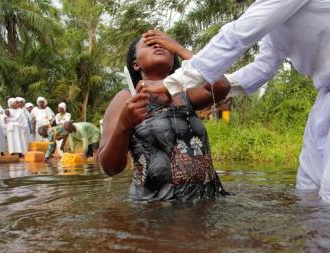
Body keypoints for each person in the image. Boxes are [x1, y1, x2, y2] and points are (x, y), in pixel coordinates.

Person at [141, 2, 330, 203]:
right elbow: (263, 67)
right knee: (309, 189)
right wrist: (222, 85)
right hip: (326, 96)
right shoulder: (274, 22)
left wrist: (174, 81)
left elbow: (237, 35)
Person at [98, 33, 231, 202]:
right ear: (136, 64)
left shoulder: (185, 94)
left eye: (164, 44)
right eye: (149, 43)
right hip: (155, 212)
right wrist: (124, 124)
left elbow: (222, 84)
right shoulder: (126, 99)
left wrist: (178, 47)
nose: (158, 45)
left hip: (205, 204)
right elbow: (109, 168)